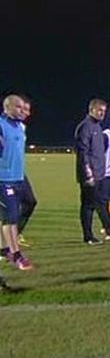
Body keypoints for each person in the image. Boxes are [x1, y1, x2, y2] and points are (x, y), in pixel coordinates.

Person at [74, 98, 110, 245]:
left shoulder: (98, 128)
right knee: (88, 206)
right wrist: (88, 173)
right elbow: (82, 152)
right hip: (90, 175)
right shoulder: (85, 127)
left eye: (104, 111)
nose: (102, 113)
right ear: (91, 110)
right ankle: (88, 236)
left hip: (100, 174)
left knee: (102, 203)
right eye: (99, 110)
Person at [0, 95, 33, 271]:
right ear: (8, 107)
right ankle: (16, 254)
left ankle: (6, 245)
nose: (23, 110)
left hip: (19, 177)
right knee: (10, 218)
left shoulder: (21, 127)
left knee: (30, 202)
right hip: (3, 179)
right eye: (19, 107)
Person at [15, 96, 37, 247]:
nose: (27, 113)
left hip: (19, 173)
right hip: (5, 174)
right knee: (8, 210)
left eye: (28, 110)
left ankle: (15, 233)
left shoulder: (22, 127)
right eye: (24, 109)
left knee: (30, 202)